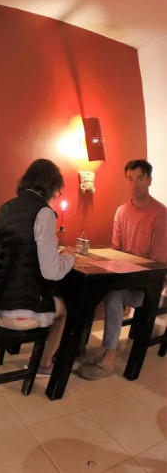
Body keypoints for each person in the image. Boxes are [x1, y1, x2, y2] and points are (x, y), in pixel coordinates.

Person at [77, 159, 167, 380]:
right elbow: (116, 251)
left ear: (149, 180)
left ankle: (109, 358)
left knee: (114, 295)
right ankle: (77, 347)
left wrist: (126, 266)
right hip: (125, 277)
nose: (134, 184)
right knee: (88, 287)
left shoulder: (161, 214)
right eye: (130, 179)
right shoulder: (122, 211)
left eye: (140, 178)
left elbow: (158, 262)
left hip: (149, 285)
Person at [0, 159, 75, 377]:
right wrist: (69, 257)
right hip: (20, 311)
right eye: (57, 192)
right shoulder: (43, 213)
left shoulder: (6, 207)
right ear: (51, 186)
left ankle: (41, 357)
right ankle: (43, 364)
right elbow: (51, 271)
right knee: (68, 309)